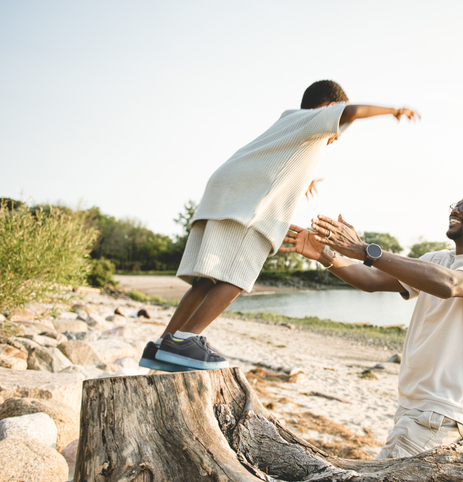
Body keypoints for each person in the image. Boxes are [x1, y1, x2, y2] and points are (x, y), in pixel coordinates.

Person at [139, 80, 419, 372]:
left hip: (226, 192)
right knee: (237, 274)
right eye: (338, 129)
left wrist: (304, 179)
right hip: (250, 204)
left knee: (206, 279)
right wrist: (393, 111)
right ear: (328, 107)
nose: (337, 136)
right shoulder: (315, 120)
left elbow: (279, 160)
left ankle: (163, 343)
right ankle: (187, 338)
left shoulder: (292, 125)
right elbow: (352, 111)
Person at [281, 191, 463, 458]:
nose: (456, 210)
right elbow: (371, 280)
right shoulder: (436, 260)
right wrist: (326, 256)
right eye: (455, 205)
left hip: (445, 409)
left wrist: (366, 250)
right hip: (412, 405)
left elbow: (451, 285)